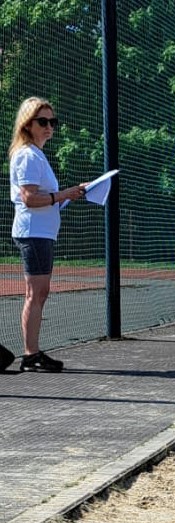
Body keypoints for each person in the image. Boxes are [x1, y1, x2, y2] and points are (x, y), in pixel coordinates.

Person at [9, 97, 88, 372]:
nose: (49, 127)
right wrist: (62, 194)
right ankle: (30, 356)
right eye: (42, 121)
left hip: (41, 232)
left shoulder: (37, 155)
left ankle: (32, 354)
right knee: (35, 293)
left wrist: (70, 194)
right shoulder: (27, 155)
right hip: (33, 232)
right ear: (27, 124)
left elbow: (47, 199)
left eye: (52, 122)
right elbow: (29, 199)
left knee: (40, 293)